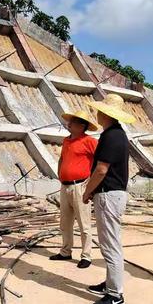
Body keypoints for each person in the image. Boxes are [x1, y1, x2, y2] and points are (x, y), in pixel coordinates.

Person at [82, 94, 136, 304]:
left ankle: (115, 295)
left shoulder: (111, 136)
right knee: (110, 242)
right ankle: (110, 284)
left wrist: (87, 191)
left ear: (105, 113)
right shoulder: (117, 135)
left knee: (110, 245)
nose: (98, 113)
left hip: (108, 195)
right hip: (112, 195)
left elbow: (101, 169)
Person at [49, 111, 98, 268]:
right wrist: (60, 173)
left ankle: (86, 255)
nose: (69, 124)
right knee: (65, 221)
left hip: (80, 186)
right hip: (65, 186)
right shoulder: (66, 141)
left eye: (73, 122)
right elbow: (62, 158)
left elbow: (100, 161)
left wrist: (92, 182)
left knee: (84, 223)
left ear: (82, 126)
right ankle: (65, 251)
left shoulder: (89, 141)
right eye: (69, 122)